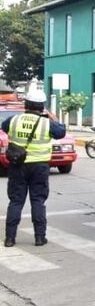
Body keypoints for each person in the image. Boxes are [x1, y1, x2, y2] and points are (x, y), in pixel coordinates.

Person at [2, 86, 65, 247]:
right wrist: (52, 117)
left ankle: (9, 238)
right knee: (38, 201)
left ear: (26, 105)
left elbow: (4, 127)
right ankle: (39, 237)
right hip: (39, 167)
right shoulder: (46, 123)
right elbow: (61, 133)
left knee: (16, 201)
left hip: (18, 165)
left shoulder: (14, 120)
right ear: (42, 106)